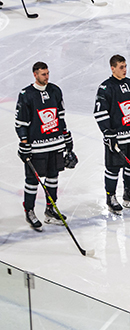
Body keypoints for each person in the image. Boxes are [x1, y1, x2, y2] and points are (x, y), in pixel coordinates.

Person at [15, 62, 77, 230]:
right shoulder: (26, 94)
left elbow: (60, 118)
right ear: (35, 74)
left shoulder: (55, 91)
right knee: (32, 181)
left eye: (48, 73)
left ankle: (50, 210)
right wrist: (24, 143)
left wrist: (66, 138)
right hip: (36, 147)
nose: (47, 77)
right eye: (43, 74)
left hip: (55, 144)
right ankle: (29, 211)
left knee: (52, 178)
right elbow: (20, 124)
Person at [94, 55, 130, 214]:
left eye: (125, 66)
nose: (125, 70)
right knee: (113, 168)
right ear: (112, 68)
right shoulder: (105, 88)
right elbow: (100, 113)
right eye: (121, 67)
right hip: (117, 137)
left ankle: (129, 193)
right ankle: (111, 196)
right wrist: (109, 133)